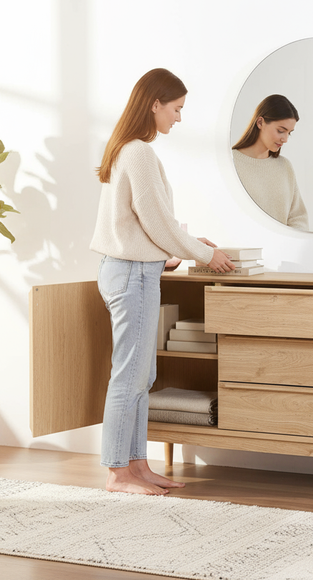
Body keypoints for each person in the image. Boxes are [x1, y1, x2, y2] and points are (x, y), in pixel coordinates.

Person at [90, 68, 234, 495]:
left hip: (135, 269)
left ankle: (137, 465)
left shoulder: (129, 151)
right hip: (132, 275)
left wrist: (173, 251)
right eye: (176, 108)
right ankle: (118, 473)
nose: (179, 118)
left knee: (140, 374)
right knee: (130, 375)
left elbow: (141, 224)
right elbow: (156, 221)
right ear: (155, 104)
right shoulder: (138, 153)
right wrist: (205, 254)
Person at [231, 94, 309, 230]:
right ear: (260, 122)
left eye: (289, 133)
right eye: (280, 131)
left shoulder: (285, 167)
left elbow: (298, 217)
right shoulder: (231, 162)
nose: (285, 139)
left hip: (282, 249)